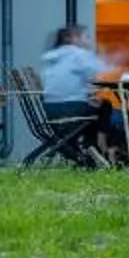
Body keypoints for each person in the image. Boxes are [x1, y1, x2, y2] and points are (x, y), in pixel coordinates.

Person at [35, 23, 118, 162]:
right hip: (72, 108)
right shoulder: (78, 54)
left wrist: (85, 92)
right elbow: (102, 69)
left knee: (96, 112)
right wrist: (112, 57)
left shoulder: (51, 56)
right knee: (105, 106)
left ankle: (91, 153)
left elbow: (63, 83)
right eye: (86, 36)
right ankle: (99, 147)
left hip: (50, 109)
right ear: (74, 38)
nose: (89, 40)